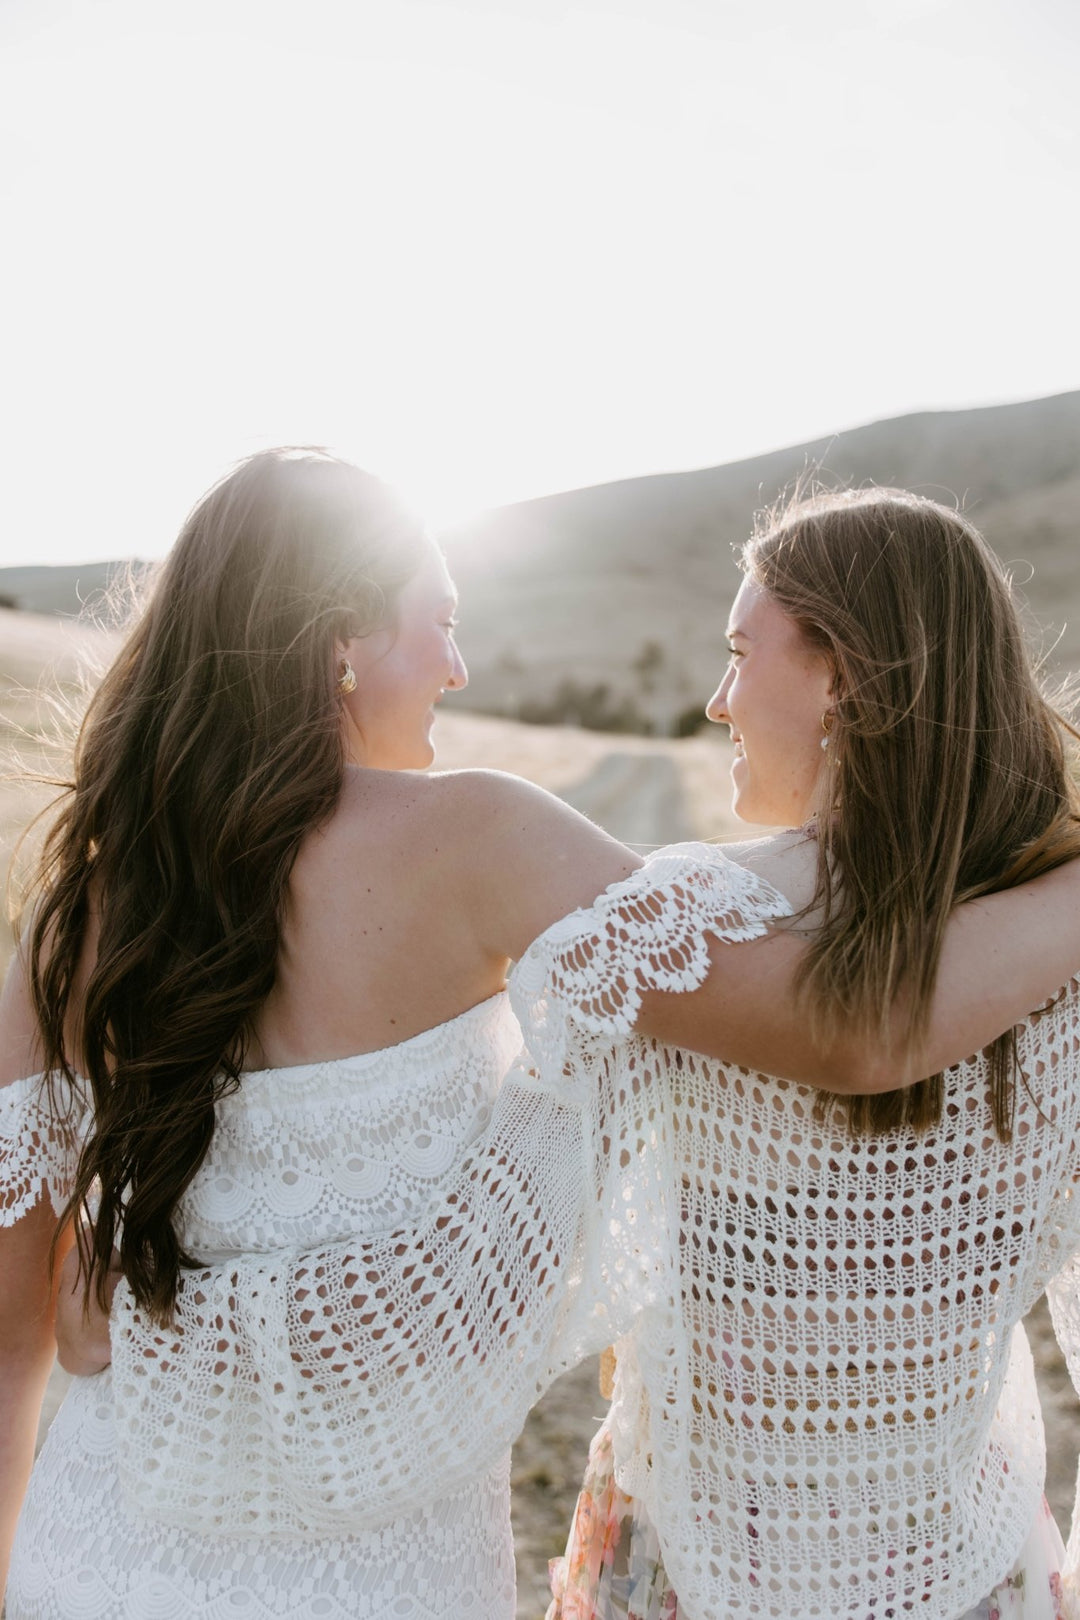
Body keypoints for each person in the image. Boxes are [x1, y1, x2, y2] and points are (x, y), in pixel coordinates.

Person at [1, 454, 1078, 1620]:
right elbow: (848, 1027)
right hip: (384, 1582)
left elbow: (14, 1343)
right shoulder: (473, 837)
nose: (460, 667)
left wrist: (138, 1356)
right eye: (443, 624)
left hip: (88, 1555)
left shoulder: (74, 920)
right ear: (339, 638)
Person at [542, 488, 1080, 1620]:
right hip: (961, 1568)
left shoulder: (703, 920)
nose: (718, 698)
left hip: (696, 1558)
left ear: (844, 678)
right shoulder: (1054, 950)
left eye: (743, 654)